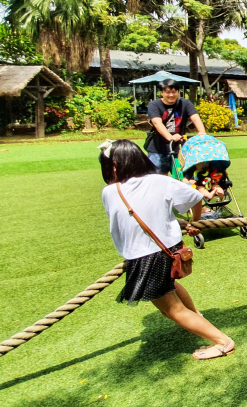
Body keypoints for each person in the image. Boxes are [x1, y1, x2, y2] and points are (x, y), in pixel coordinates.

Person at [99, 139, 235, 360]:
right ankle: (196, 317)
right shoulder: (160, 181)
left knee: (170, 309)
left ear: (115, 165)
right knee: (169, 287)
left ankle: (223, 342)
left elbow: (125, 222)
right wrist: (194, 221)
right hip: (167, 248)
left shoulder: (111, 191)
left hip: (144, 254)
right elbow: (195, 197)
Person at [146, 79, 207, 174]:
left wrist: (202, 133)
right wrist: (170, 137)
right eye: (167, 92)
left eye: (174, 92)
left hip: (179, 149)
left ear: (178, 92)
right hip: (158, 150)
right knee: (158, 180)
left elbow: (195, 118)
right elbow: (157, 123)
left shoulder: (185, 103)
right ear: (161, 93)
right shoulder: (154, 105)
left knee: (183, 178)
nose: (171, 95)